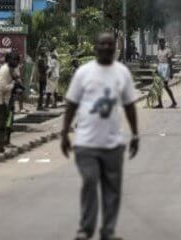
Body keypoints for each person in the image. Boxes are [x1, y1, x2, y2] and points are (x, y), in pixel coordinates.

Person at [60, 33, 139, 240]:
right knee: (89, 180)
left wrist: (136, 134)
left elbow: (130, 105)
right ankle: (86, 229)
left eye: (109, 44)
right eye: (102, 43)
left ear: (115, 48)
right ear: (95, 47)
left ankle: (108, 231)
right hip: (86, 142)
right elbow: (71, 104)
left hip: (114, 143)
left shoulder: (122, 73)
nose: (105, 47)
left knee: (112, 189)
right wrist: (64, 133)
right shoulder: (83, 73)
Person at [154, 38, 178, 109]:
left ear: (164, 43)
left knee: (165, 86)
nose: (161, 44)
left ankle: (174, 102)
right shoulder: (158, 51)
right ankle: (160, 104)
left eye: (162, 42)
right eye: (160, 42)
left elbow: (170, 62)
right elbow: (158, 61)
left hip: (166, 68)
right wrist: (156, 69)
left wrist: (171, 72)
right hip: (160, 68)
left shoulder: (168, 50)